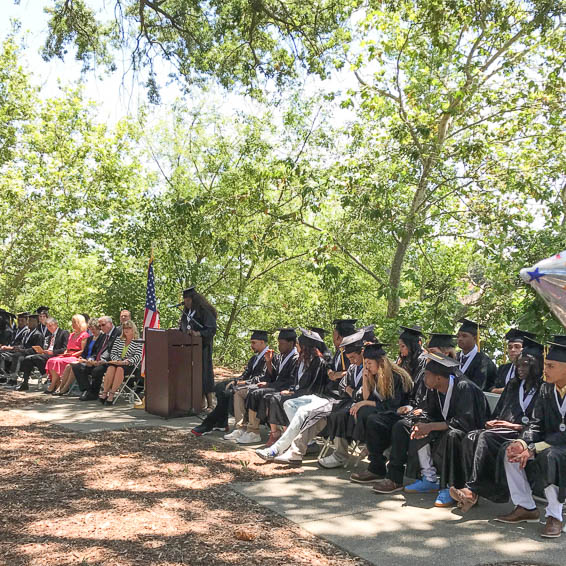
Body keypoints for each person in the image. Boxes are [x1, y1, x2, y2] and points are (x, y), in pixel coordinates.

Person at [372, 352, 490, 508]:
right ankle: (424, 479)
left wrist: (431, 426)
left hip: (469, 433)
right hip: (447, 427)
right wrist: (420, 424)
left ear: (439, 378)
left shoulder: (464, 387)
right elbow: (430, 412)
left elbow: (465, 421)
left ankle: (450, 487)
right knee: (405, 426)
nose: (424, 378)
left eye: (427, 375)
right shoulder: (435, 388)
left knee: (451, 435)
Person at [450, 337, 543, 511]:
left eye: (526, 365)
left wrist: (511, 426)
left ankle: (472, 491)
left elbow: (539, 424)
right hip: (504, 429)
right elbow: (500, 411)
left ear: (536, 367)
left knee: (486, 437)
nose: (521, 369)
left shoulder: (543, 389)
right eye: (519, 365)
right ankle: (472, 492)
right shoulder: (513, 386)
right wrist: (494, 422)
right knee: (472, 436)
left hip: (523, 433)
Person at [355, 332, 456, 486]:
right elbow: (418, 399)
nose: (428, 356)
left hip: (437, 421)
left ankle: (395, 478)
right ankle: (377, 468)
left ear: (447, 354)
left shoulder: (459, 382)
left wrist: (423, 416)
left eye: (433, 353)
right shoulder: (429, 374)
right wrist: (413, 408)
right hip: (415, 413)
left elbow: (460, 415)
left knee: (400, 426)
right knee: (373, 419)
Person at [495, 341, 566, 537]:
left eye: (551, 366)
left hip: (559, 447)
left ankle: (555, 516)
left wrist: (535, 448)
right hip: (550, 443)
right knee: (511, 451)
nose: (545, 370)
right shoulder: (546, 390)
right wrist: (522, 443)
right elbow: (536, 424)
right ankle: (525, 506)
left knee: (550, 456)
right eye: (545, 365)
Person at [321, 341, 413, 470]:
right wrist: (365, 378)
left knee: (364, 412)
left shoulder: (396, 377)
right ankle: (360, 450)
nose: (367, 367)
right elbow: (366, 397)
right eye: (365, 363)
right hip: (382, 410)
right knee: (350, 412)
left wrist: (364, 403)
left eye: (369, 363)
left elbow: (392, 404)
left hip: (396, 412)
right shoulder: (374, 375)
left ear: (380, 363)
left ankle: (372, 449)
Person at [255, 328, 328, 461]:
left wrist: (293, 392)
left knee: (281, 399)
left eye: (299, 345)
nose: (297, 347)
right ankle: (304, 441)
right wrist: (292, 390)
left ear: (305, 347)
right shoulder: (301, 360)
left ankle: (280, 445)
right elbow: (296, 381)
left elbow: (312, 387)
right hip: (300, 394)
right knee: (283, 401)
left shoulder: (318, 362)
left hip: (312, 397)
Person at [191, 330, 269, 437]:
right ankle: (222, 422)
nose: (251, 346)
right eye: (251, 342)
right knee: (220, 387)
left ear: (262, 342)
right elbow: (245, 374)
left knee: (226, 393)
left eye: (254, 343)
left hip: (257, 386)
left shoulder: (269, 358)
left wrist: (242, 382)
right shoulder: (255, 358)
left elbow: (263, 377)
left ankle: (210, 423)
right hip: (247, 383)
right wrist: (236, 381)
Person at [242, 328, 299, 446]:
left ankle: (264, 432)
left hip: (285, 388)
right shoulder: (283, 356)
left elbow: (290, 380)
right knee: (254, 391)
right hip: (277, 386)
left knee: (260, 394)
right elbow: (274, 376)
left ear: (291, 343)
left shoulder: (295, 358)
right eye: (278, 343)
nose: (279, 346)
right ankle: (252, 429)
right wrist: (268, 362)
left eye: (282, 343)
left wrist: (271, 385)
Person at [178, 286, 217, 408]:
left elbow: (211, 329)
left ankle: (210, 404)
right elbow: (184, 327)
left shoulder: (204, 310)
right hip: (189, 348)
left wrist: (198, 333)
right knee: (192, 375)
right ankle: (198, 403)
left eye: (189, 300)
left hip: (203, 347)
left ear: (195, 299)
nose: (187, 303)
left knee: (204, 374)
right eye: (185, 300)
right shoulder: (186, 312)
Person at [72, 316, 120, 401]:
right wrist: (91, 359)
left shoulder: (118, 334)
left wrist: (103, 360)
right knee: (77, 367)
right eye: (100, 325)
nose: (101, 327)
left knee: (97, 370)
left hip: (110, 362)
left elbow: (113, 351)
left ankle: (93, 393)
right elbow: (97, 350)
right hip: (97, 361)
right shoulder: (104, 335)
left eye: (103, 325)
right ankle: (88, 391)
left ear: (110, 324)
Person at [56, 318, 105, 396]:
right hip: (85, 359)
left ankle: (66, 387)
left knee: (74, 366)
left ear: (98, 328)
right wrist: (82, 357)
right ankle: (60, 387)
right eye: (90, 329)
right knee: (69, 366)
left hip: (92, 360)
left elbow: (98, 352)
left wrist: (88, 359)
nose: (92, 331)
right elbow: (84, 351)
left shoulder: (102, 338)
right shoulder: (90, 338)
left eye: (94, 329)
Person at [99, 320, 143, 405]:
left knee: (119, 369)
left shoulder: (138, 341)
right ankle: (105, 393)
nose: (126, 330)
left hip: (129, 365)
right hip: (117, 362)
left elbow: (138, 356)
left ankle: (112, 394)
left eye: (129, 328)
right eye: (125, 328)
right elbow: (113, 352)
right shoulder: (119, 339)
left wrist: (127, 362)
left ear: (133, 329)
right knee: (111, 367)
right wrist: (118, 360)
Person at [45, 315, 89, 393]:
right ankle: (56, 383)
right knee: (51, 360)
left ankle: (56, 385)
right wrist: (65, 354)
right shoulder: (72, 334)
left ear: (79, 323)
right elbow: (67, 348)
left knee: (58, 361)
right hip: (68, 354)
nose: (72, 324)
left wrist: (72, 355)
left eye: (74, 322)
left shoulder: (84, 335)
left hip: (77, 355)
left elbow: (82, 350)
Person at [21, 318, 70, 389]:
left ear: (56, 324)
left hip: (56, 355)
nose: (49, 328)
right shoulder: (51, 336)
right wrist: (43, 351)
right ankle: (25, 382)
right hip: (47, 354)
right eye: (47, 326)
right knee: (28, 358)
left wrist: (52, 352)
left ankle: (45, 374)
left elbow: (64, 348)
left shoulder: (63, 333)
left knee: (35, 358)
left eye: (50, 326)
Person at [457, 318, 497, 391]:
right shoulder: (455, 357)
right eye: (458, 336)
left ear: (475, 338)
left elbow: (480, 387)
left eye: (464, 336)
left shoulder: (484, 361)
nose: (460, 339)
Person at [491, 329, 536, 394]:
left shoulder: (532, 370)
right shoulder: (503, 368)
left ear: (525, 349)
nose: (512, 350)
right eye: (510, 347)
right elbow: (491, 389)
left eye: (517, 347)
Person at [10, 314, 45, 391]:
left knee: (20, 357)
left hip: (33, 355)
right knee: (12, 355)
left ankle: (14, 379)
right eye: (29, 321)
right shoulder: (27, 333)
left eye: (32, 321)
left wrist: (22, 350)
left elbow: (36, 349)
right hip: (24, 353)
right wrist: (18, 348)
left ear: (37, 323)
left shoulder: (38, 335)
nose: (29, 323)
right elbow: (24, 345)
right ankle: (12, 378)